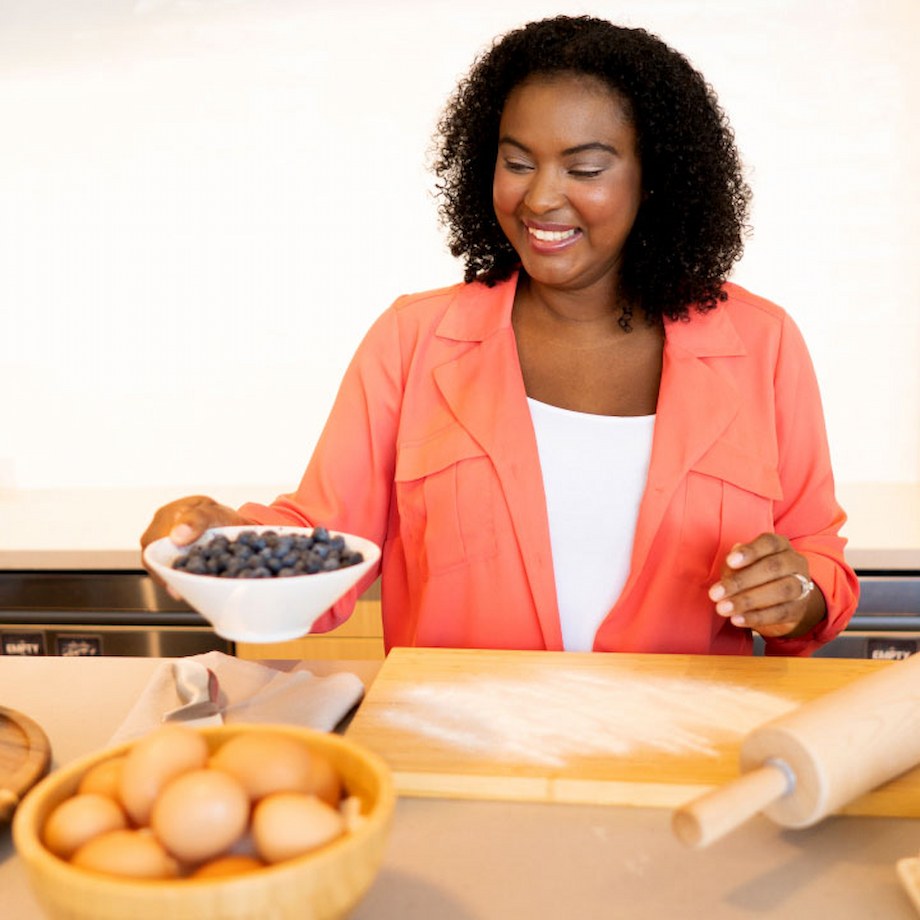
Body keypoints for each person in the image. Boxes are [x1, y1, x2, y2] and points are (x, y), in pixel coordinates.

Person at [141, 15, 858, 656]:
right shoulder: (412, 341)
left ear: (655, 179)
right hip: (460, 757)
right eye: (517, 162)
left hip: (681, 761)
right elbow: (324, 547)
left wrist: (798, 597)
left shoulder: (761, 345)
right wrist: (222, 536)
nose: (540, 197)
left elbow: (816, 555)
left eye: (584, 168)